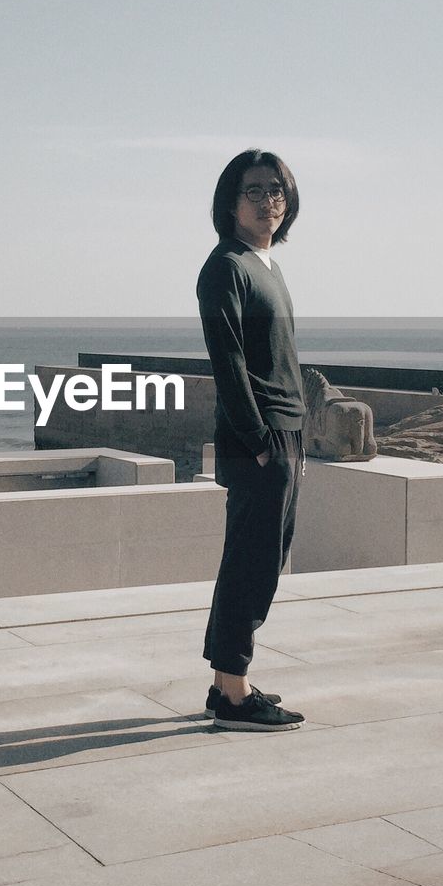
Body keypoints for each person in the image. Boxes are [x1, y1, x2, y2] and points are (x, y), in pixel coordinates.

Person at [196, 149, 306, 731]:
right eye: (255, 190)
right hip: (259, 439)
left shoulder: (266, 265)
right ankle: (236, 696)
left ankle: (224, 685)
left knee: (253, 560)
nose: (268, 202)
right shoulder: (226, 267)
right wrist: (261, 441)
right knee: (253, 565)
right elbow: (229, 363)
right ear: (230, 201)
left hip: (284, 434)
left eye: (277, 191)